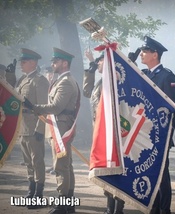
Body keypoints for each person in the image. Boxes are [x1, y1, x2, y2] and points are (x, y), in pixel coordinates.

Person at [24, 47, 80, 214]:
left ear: (65, 63)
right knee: (66, 165)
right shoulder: (62, 80)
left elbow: (56, 107)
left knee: (61, 166)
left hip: (61, 126)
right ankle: (68, 203)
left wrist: (34, 107)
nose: (52, 63)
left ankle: (63, 204)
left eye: (55, 61)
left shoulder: (65, 81)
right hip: (59, 125)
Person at [83, 48, 126, 214]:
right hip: (100, 131)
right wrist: (91, 67)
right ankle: (109, 205)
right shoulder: (101, 82)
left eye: (100, 61)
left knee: (117, 169)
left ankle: (119, 206)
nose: (98, 63)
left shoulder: (116, 81)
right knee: (104, 169)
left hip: (115, 132)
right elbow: (87, 92)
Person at [139, 36, 175, 214]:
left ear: (155, 54)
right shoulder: (143, 74)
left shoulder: (166, 76)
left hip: (159, 135)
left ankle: (164, 210)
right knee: (148, 173)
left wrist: (166, 137)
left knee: (162, 175)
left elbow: (170, 110)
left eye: (144, 51)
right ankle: (152, 207)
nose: (141, 54)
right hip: (143, 134)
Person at [9, 48, 49, 209]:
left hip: (34, 126)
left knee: (37, 161)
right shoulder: (22, 80)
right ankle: (31, 190)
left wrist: (40, 129)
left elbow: (43, 107)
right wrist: (10, 75)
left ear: (33, 63)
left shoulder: (39, 81)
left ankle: (38, 195)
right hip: (23, 126)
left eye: (23, 62)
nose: (21, 65)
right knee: (27, 162)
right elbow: (12, 93)